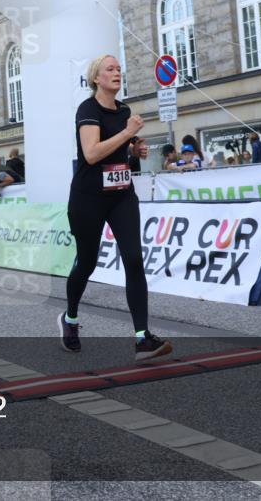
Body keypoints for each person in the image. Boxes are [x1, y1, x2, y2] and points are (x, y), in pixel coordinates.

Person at [59, 54, 172, 360]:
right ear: (96, 78)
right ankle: (70, 318)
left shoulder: (124, 111)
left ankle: (142, 338)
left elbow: (119, 148)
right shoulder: (88, 109)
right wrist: (127, 133)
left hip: (121, 195)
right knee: (87, 262)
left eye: (119, 68)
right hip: (88, 197)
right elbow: (92, 154)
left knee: (134, 259)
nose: (117, 72)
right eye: (110, 69)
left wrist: (134, 150)